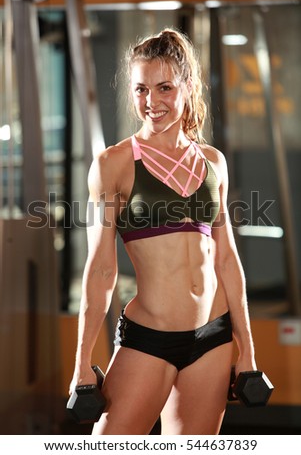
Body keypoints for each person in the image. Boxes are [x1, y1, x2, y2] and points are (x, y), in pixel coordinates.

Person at [69, 27, 257, 435]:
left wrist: (248, 351)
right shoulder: (113, 164)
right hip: (149, 338)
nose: (151, 102)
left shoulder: (213, 162)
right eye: (140, 90)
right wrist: (82, 362)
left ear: (187, 86)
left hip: (212, 336)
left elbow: (226, 260)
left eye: (164, 88)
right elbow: (100, 270)